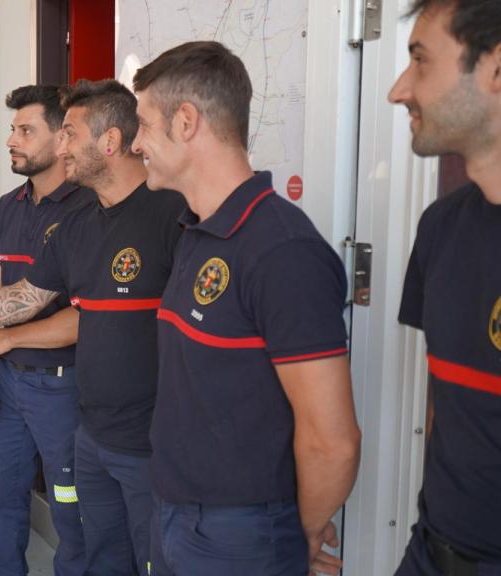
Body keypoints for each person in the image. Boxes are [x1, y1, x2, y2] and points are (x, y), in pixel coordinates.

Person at [0, 79, 186, 575]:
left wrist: (0, 335)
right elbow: (19, 297)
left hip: (138, 432)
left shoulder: (171, 212)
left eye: (67, 133)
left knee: (145, 553)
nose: (62, 146)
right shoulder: (76, 222)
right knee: (88, 546)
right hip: (86, 426)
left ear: (108, 142)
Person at [130, 41, 361, 576]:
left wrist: (294, 536)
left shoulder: (283, 251)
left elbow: (335, 440)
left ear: (186, 121)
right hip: (174, 514)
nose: (135, 142)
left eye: (143, 125)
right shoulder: (195, 230)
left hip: (240, 536)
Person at [388, 1, 501, 573]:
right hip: (431, 550)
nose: (399, 90)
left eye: (420, 61)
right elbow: (448, 399)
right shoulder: (441, 226)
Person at [0, 84, 92, 576]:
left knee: (69, 505)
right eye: (12, 129)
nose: (11, 140)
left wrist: (6, 340)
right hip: (9, 383)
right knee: (2, 494)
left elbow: (86, 319)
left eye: (25, 130)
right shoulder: (8, 207)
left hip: (65, 386)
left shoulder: (86, 210)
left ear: (62, 138)